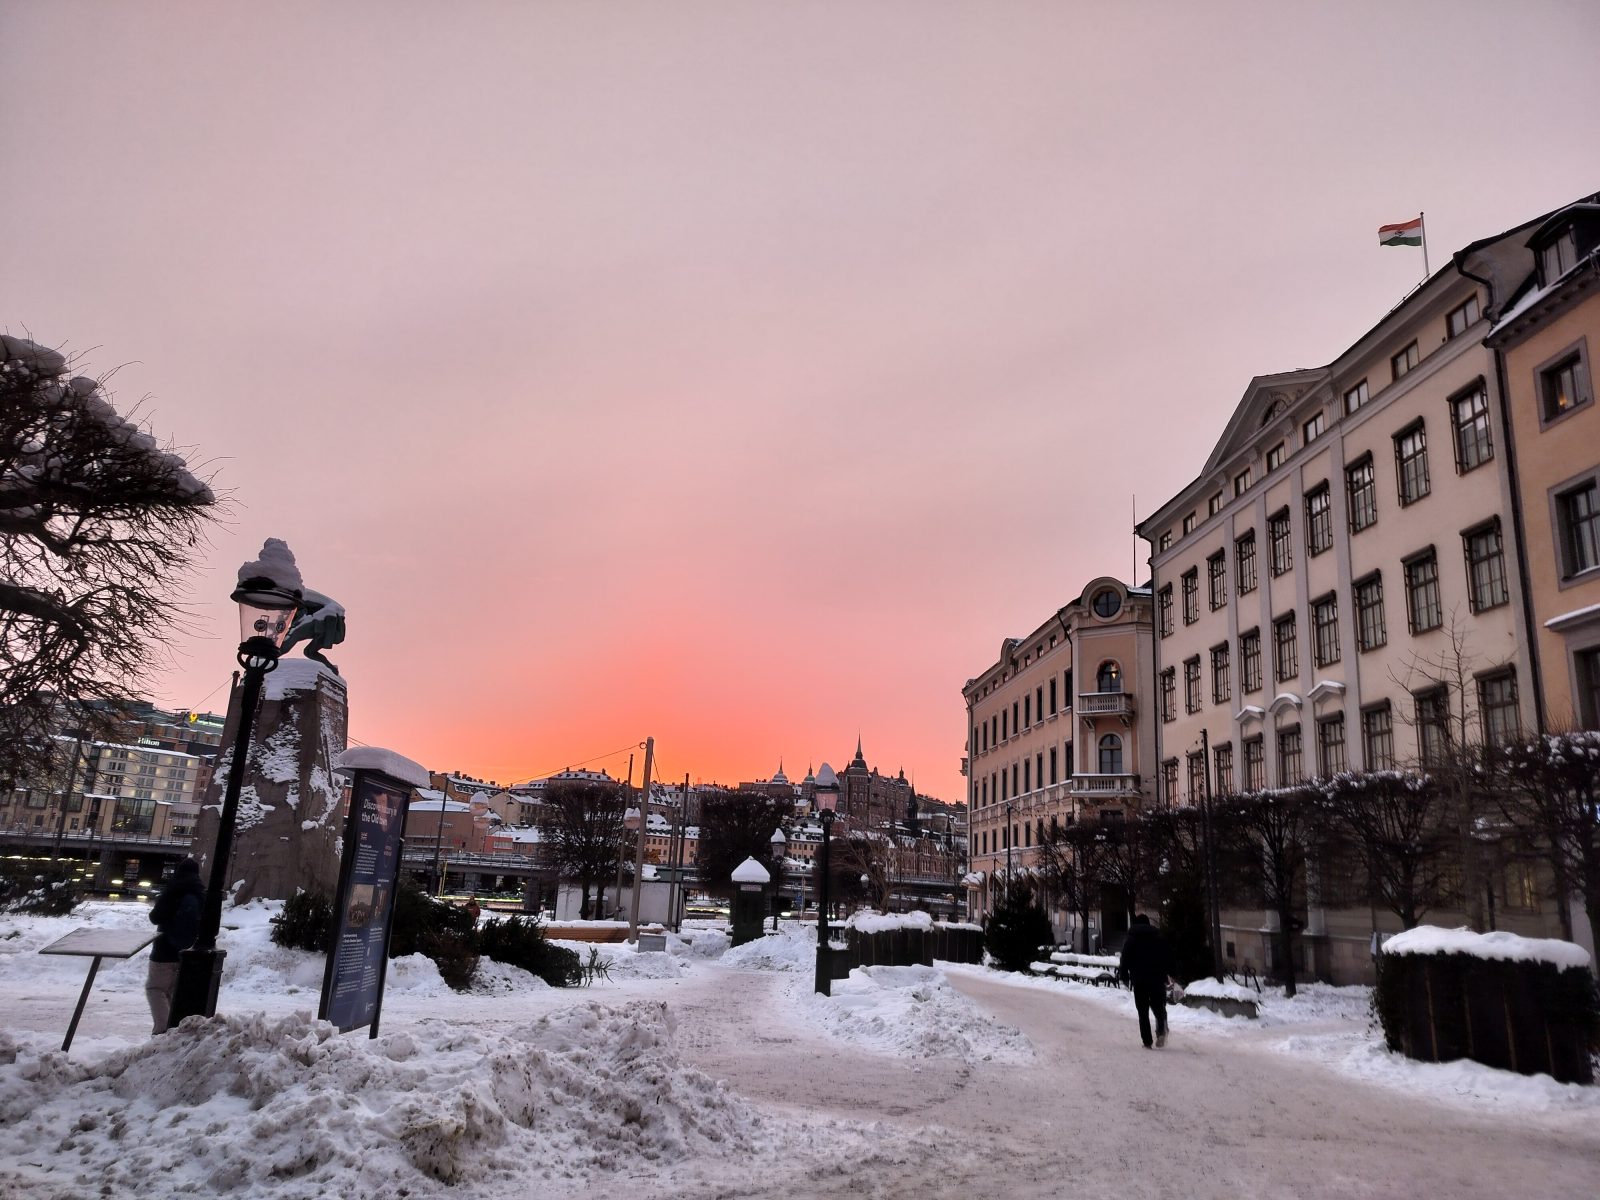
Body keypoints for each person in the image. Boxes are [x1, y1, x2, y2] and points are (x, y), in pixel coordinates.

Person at [146, 858, 204, 1034]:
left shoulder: (173, 890)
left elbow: (155, 917)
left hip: (164, 950)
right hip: (187, 952)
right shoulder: (200, 893)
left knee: (155, 988)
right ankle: (174, 1030)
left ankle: (162, 1031)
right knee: (173, 991)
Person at [1119, 913, 1172, 1049]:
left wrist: (1124, 975)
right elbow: (1166, 956)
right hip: (1157, 979)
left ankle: (1147, 1041)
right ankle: (1161, 1030)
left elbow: (1125, 959)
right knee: (1158, 1006)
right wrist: (1167, 974)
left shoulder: (1131, 939)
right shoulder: (1158, 937)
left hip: (1139, 980)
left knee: (1142, 1011)